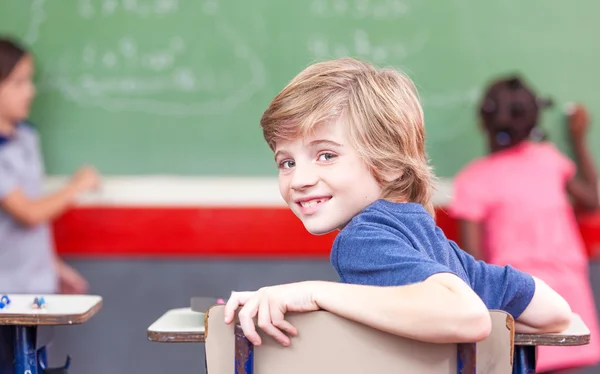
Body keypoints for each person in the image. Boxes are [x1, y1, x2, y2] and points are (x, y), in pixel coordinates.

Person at [222, 58, 572, 350]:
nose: (299, 180)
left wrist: (315, 293)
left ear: (388, 164)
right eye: (287, 162)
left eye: (326, 155)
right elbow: (554, 312)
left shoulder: (361, 240)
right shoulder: (429, 239)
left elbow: (466, 314)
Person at [448, 76, 600, 373]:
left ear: (483, 121)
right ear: (534, 120)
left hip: (520, 307)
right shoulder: (550, 159)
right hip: (569, 306)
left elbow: (472, 263)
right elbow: (592, 200)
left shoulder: (473, 179)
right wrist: (579, 139)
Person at [0, 36, 99, 369]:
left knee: (35, 362)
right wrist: (76, 186)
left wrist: (52, 266)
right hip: (7, 299)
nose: (30, 91)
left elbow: (32, 220)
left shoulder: (26, 138)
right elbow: (27, 212)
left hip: (36, 291)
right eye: (18, 82)